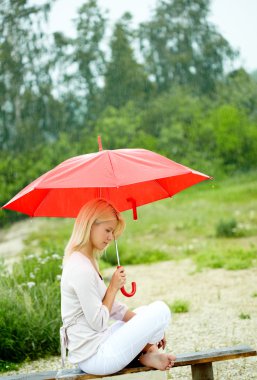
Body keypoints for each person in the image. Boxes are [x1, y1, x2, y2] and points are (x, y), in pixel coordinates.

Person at [60, 198, 176, 376]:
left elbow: (115, 309)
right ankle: (148, 352)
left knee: (145, 312)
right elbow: (98, 322)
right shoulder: (80, 268)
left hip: (95, 349)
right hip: (96, 358)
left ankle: (148, 353)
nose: (110, 237)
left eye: (112, 232)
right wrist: (113, 288)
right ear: (90, 224)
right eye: (107, 230)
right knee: (161, 309)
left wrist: (151, 329)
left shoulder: (85, 260)